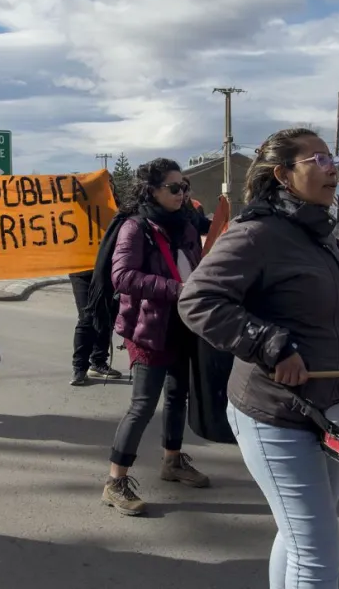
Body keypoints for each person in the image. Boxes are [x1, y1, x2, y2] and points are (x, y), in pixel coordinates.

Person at [178, 128, 339, 588]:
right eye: (318, 159)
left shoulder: (315, 231)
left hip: (326, 410)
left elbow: (321, 298)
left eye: (332, 157)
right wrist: (272, 345)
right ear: (283, 175)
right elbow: (197, 301)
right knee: (318, 550)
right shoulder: (257, 233)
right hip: (275, 414)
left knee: (300, 536)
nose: (333, 167)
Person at [101, 158, 209, 516]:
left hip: (184, 323)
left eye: (185, 187)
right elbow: (124, 278)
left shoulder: (188, 223)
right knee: (143, 404)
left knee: (179, 395)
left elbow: (198, 263)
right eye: (174, 188)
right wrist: (177, 289)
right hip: (149, 327)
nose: (183, 194)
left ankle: (172, 461)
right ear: (152, 190)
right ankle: (115, 481)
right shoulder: (135, 228)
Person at [69, 175, 122, 386]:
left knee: (107, 315)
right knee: (87, 317)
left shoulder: (116, 209)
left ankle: (98, 362)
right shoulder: (74, 207)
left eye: (109, 184)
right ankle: (79, 367)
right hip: (81, 269)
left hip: (108, 269)